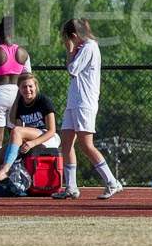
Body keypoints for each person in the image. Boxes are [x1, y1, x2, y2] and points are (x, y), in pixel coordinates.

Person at [53, 19, 123, 200]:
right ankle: (71, 187)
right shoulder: (83, 47)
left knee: (86, 144)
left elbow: (72, 69)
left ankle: (112, 182)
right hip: (74, 101)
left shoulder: (89, 47)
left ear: (74, 36)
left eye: (68, 39)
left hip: (85, 102)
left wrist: (69, 51)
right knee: (66, 143)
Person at [0, 17, 31, 168]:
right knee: (16, 135)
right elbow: (28, 76)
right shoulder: (23, 52)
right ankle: (14, 170)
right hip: (17, 94)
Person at [0, 73, 60, 181]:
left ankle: (5, 170)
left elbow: (51, 131)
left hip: (49, 138)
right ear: (19, 89)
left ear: (35, 87)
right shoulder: (20, 104)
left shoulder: (43, 101)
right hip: (29, 138)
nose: (27, 89)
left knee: (17, 131)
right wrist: (17, 98)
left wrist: (32, 143)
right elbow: (16, 128)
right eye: (24, 87)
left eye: (30, 86)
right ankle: (6, 184)